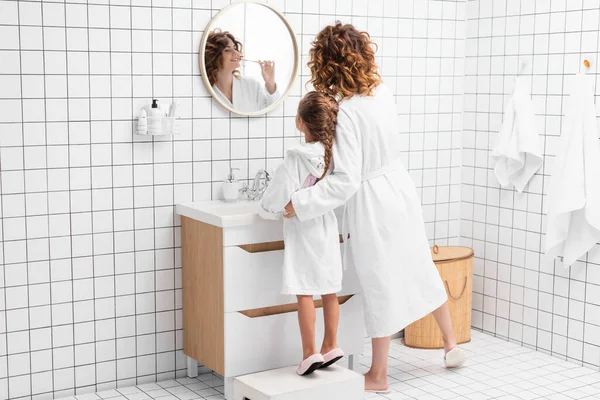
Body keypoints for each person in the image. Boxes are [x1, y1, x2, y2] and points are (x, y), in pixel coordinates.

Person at [283, 22, 467, 393]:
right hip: (399, 187)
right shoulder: (381, 92)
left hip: (372, 201)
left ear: (327, 64)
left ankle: (379, 375)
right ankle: (450, 344)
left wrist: (300, 202)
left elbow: (347, 179)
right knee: (418, 264)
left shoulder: (345, 112)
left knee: (379, 281)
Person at [259, 91, 345, 376]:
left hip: (304, 231)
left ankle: (310, 353)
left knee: (305, 290)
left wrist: (266, 208)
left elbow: (274, 198)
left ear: (300, 123)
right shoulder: (334, 155)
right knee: (330, 289)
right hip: (327, 227)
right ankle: (331, 344)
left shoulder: (295, 159)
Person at [204, 29, 279, 112]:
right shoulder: (205, 90)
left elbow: (271, 113)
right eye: (227, 50)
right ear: (214, 57)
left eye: (235, 48)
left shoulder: (251, 85)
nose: (236, 53)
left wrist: (270, 83)